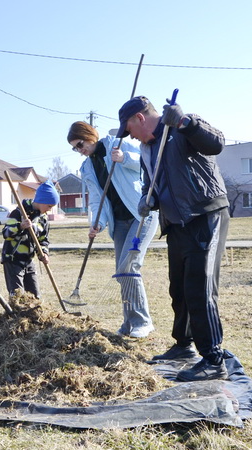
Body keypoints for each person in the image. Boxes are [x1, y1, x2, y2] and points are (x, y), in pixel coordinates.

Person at [115, 95, 230, 381]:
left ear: (140, 118)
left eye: (128, 127)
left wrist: (185, 122)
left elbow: (216, 143)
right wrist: (147, 199)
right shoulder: (146, 149)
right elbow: (151, 184)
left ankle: (214, 358)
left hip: (205, 214)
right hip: (176, 223)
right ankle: (184, 346)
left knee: (199, 289)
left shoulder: (181, 127)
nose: (128, 134)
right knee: (178, 288)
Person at [67, 121, 159, 338]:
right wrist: (97, 222)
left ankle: (142, 322)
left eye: (80, 144)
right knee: (122, 272)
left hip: (141, 214)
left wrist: (124, 158)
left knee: (129, 267)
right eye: (75, 148)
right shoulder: (87, 167)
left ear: (90, 136)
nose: (80, 151)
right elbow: (97, 198)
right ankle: (128, 323)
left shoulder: (118, 145)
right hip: (119, 222)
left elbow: (146, 163)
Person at [0, 181, 59, 298]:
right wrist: (20, 226)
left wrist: (44, 253)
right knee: (18, 296)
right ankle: (18, 315)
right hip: (13, 260)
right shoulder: (18, 213)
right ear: (42, 200)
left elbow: (43, 240)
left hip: (28, 260)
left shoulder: (43, 219)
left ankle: (34, 315)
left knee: (35, 296)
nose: (50, 209)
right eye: (49, 206)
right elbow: (6, 233)